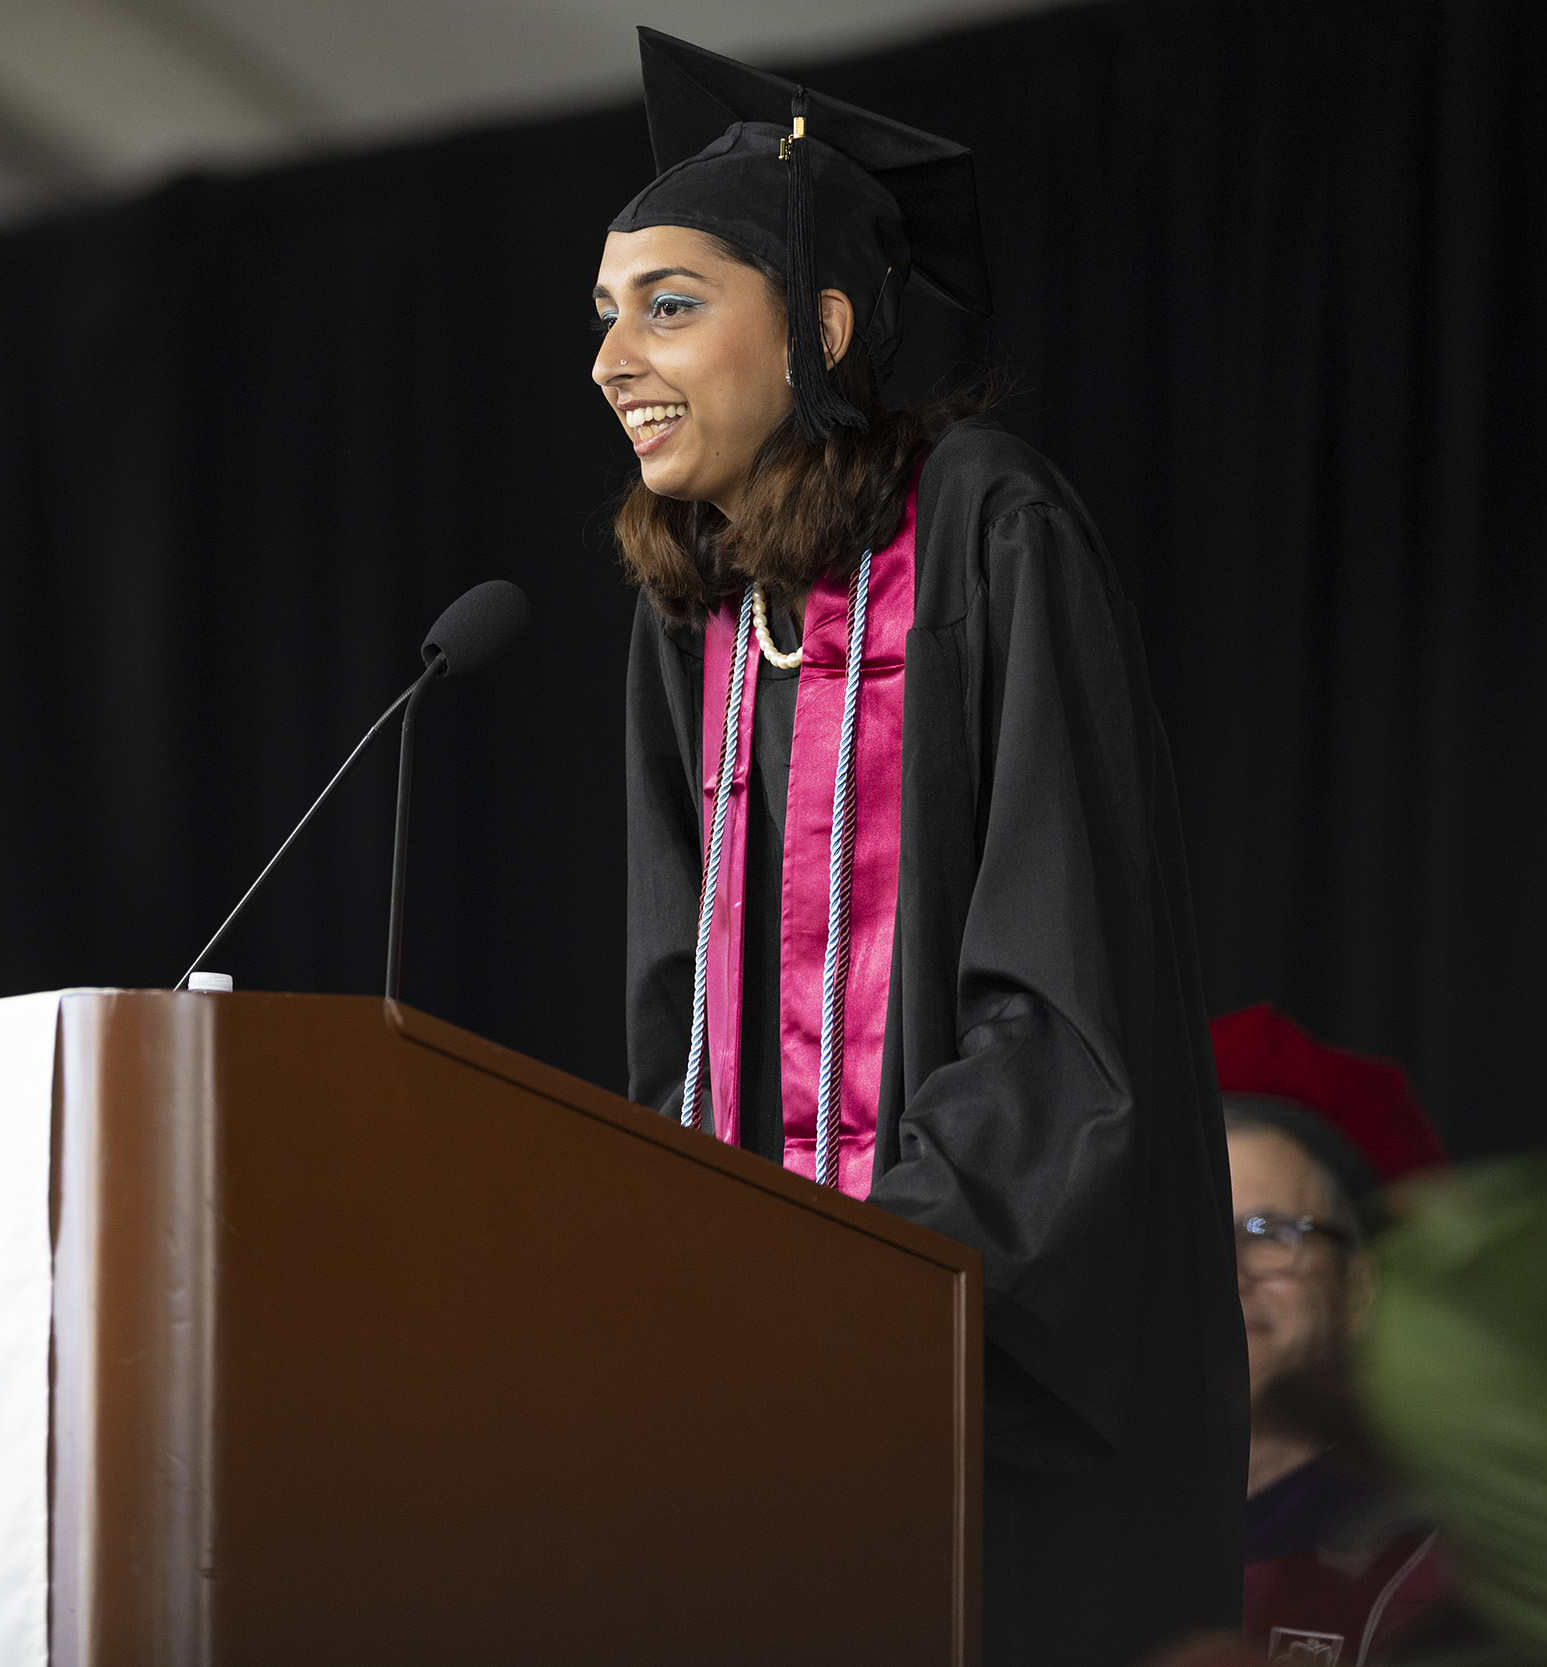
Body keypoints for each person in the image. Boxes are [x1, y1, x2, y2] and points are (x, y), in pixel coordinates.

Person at [605, 30, 1246, 1663]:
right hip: (760, 1414)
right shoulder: (698, 623)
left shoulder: (987, 526)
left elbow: (1064, 999)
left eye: (668, 303)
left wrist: (862, 1280)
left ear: (821, 326)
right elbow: (679, 1026)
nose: (613, 357)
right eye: (604, 316)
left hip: (978, 1387)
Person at [1214, 1003, 1465, 1662]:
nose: (1228, 1272)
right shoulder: (1052, 1534)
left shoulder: (1436, 1569)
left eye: (1270, 1232)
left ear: (1359, 1288)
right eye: (1196, 1227)